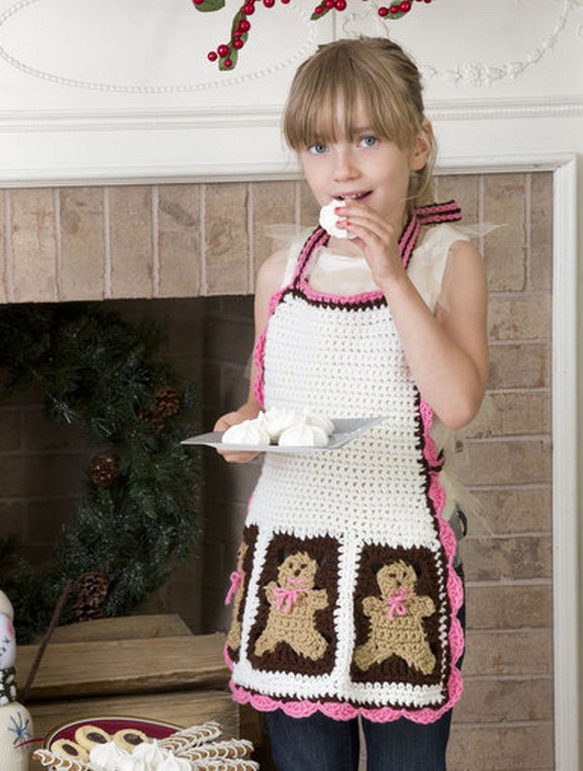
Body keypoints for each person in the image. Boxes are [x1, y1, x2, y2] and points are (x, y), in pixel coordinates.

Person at [214, 36, 488, 771]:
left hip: (399, 559)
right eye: (318, 145)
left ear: (419, 145)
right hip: (293, 570)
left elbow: (458, 400)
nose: (342, 168)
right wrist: (237, 431)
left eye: (368, 139)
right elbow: (261, 407)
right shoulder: (282, 272)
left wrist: (392, 275)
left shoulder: (445, 261)